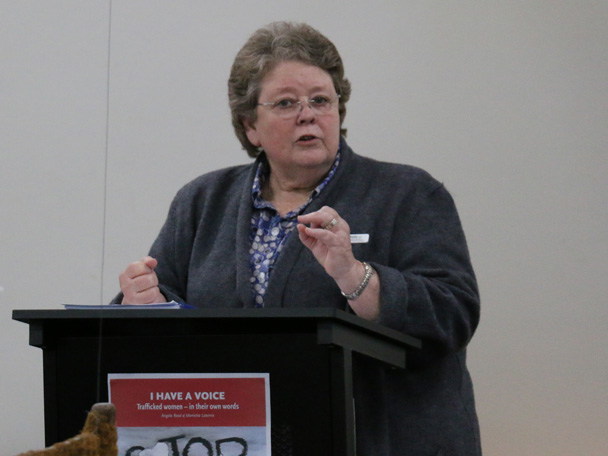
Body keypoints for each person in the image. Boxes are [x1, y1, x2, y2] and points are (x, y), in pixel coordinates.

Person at [115, 21, 481, 455]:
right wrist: (142, 303)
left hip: (381, 441)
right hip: (241, 441)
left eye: (321, 100)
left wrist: (356, 277)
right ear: (250, 126)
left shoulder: (409, 194)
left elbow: (454, 313)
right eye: (287, 103)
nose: (308, 114)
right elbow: (163, 303)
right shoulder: (203, 201)